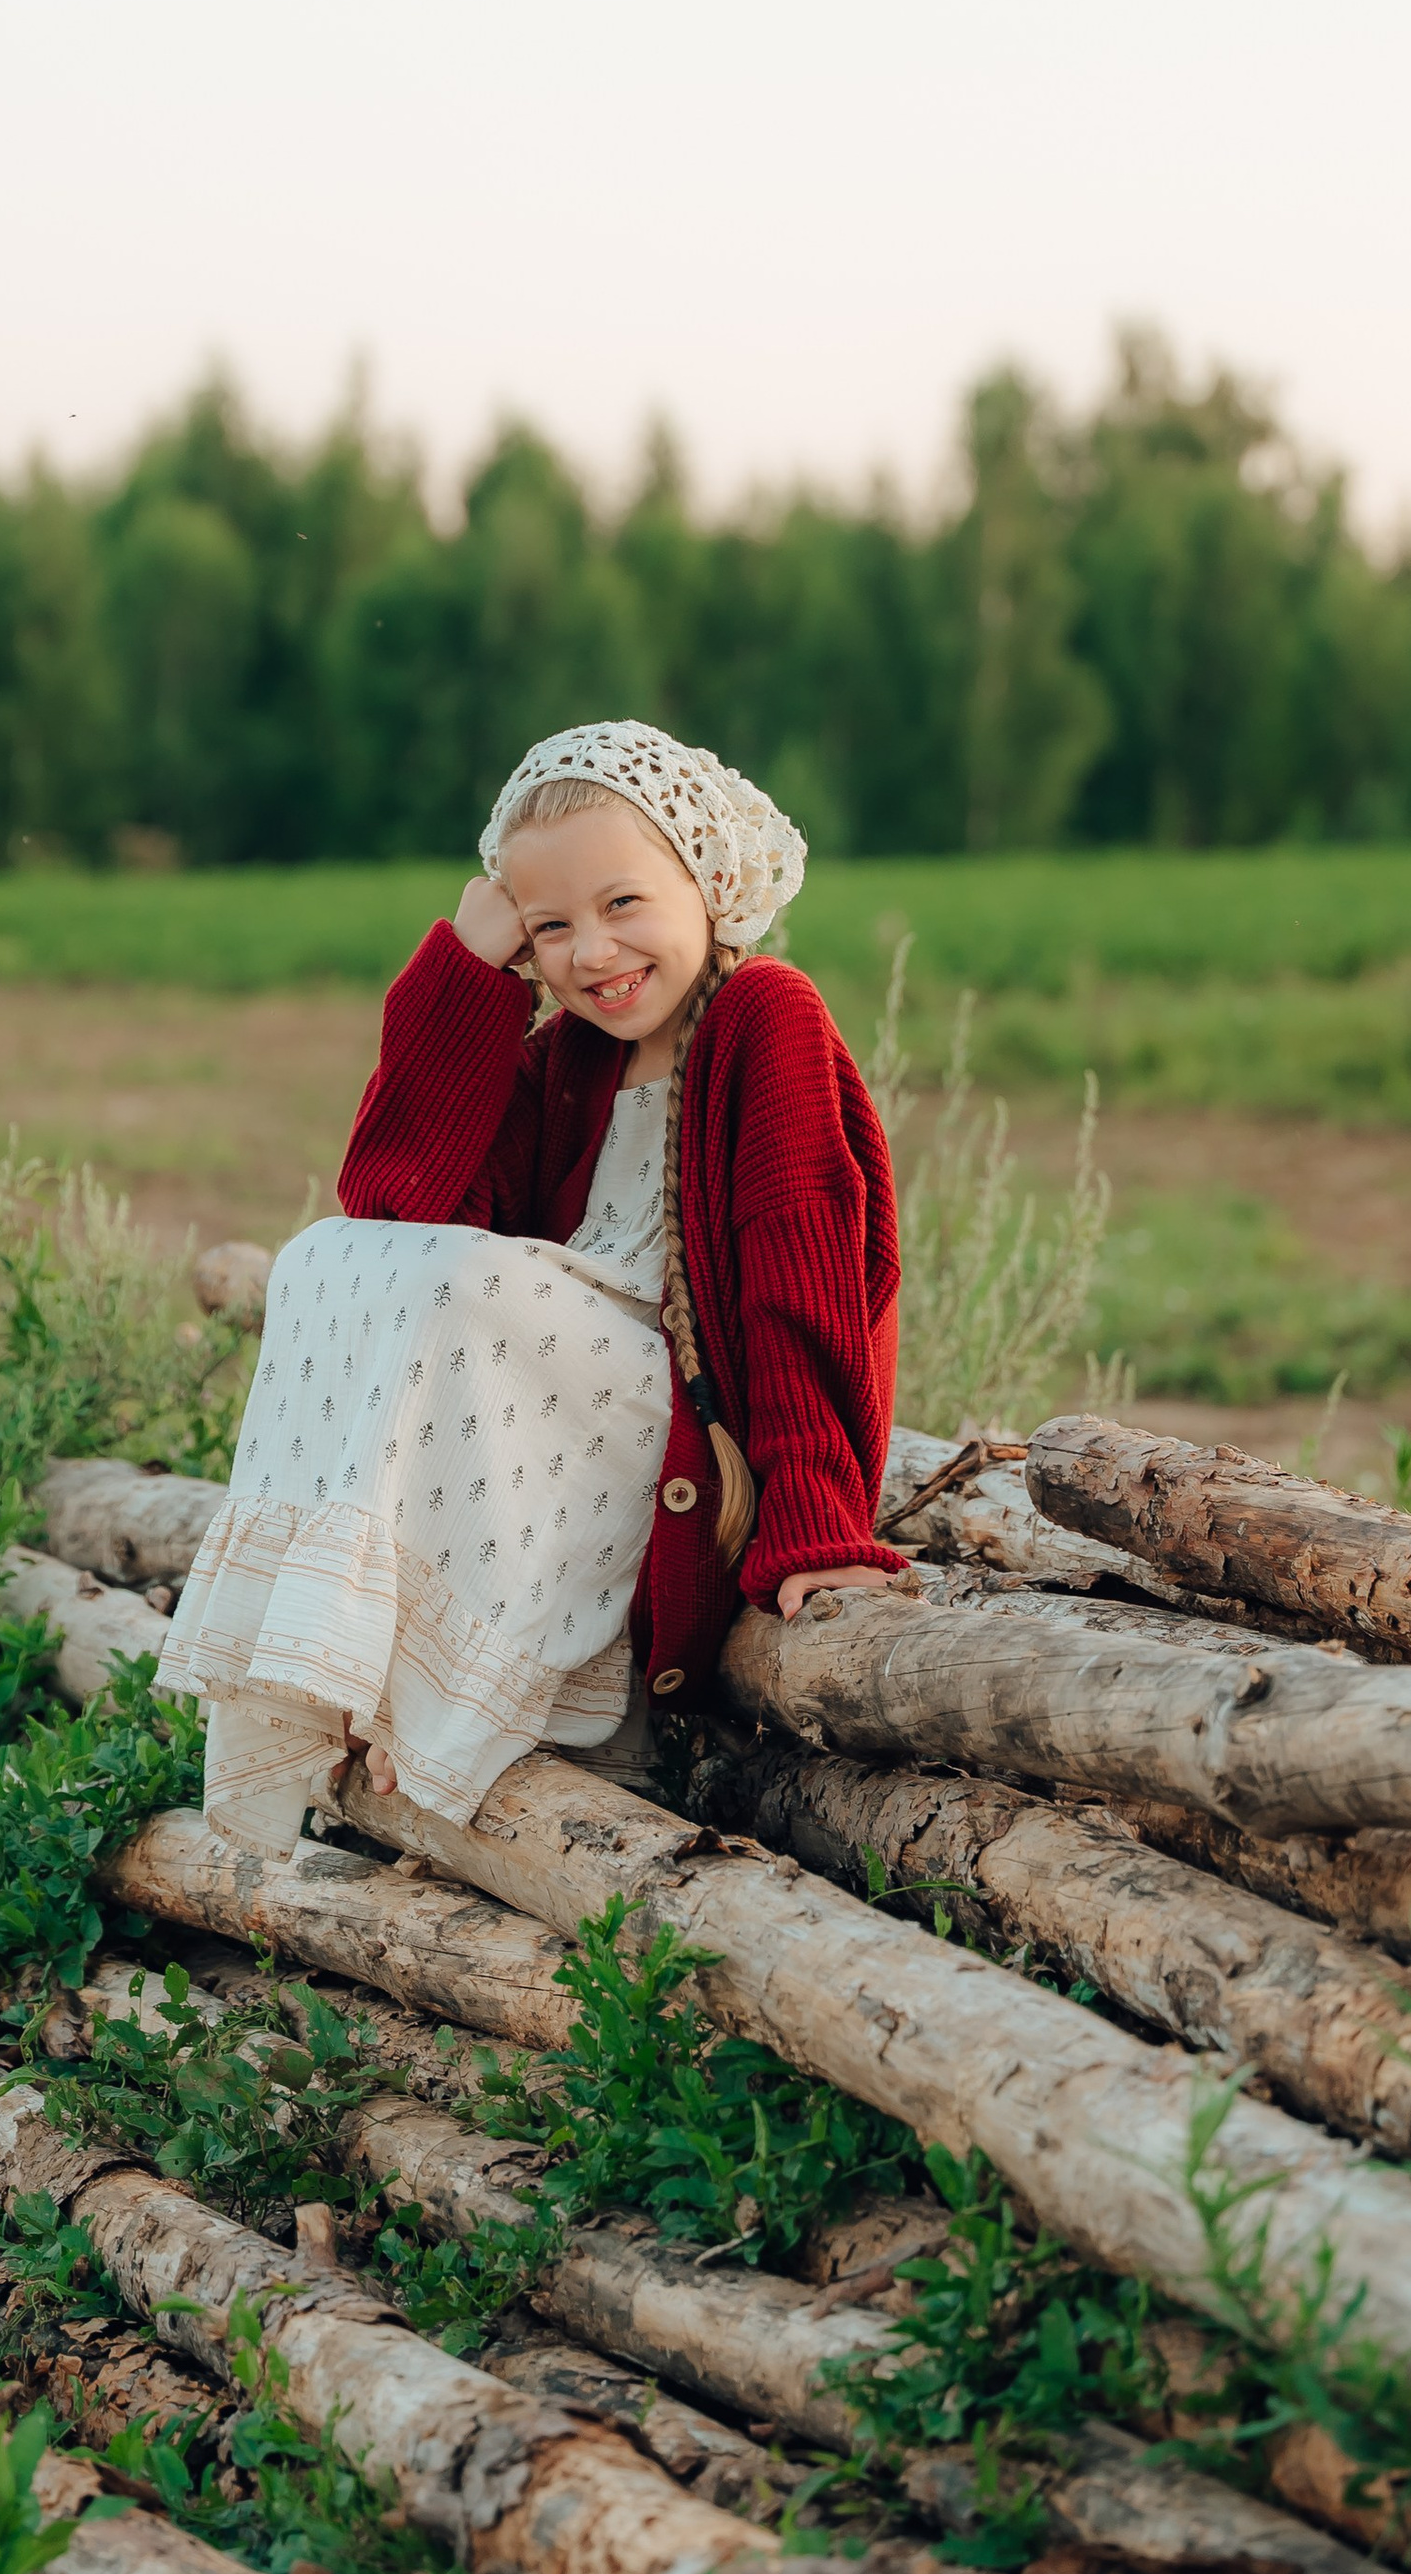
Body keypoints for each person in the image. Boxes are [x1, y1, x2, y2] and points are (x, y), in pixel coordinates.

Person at [157, 719, 903, 1842]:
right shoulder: (569, 1057)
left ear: (708, 882)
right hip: (567, 1426)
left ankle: (457, 1698)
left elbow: (804, 1282)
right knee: (324, 1255)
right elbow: (395, 1199)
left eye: (623, 905)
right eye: (550, 926)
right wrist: (468, 973)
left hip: (686, 1444)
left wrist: (819, 1525)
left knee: (469, 1287)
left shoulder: (764, 1018)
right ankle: (354, 1667)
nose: (591, 953)